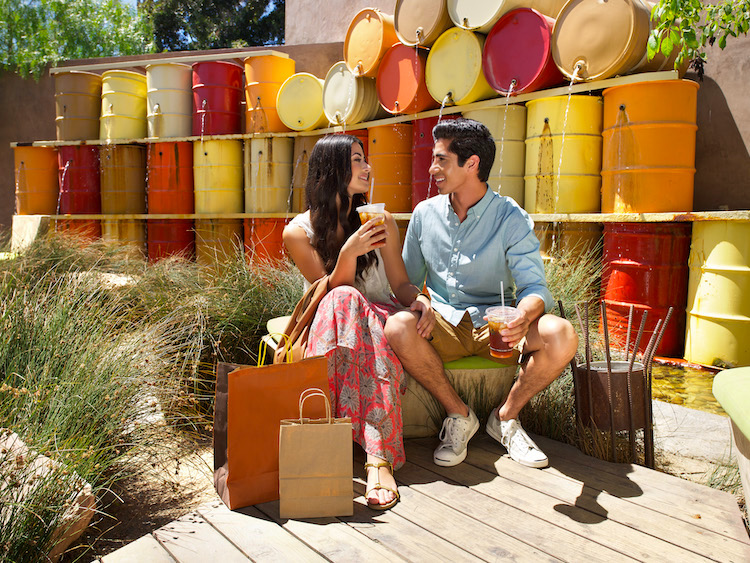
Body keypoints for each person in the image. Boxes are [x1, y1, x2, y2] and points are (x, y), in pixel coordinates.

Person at [388, 118, 578, 469]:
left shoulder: (511, 218)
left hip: (497, 328)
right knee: (398, 325)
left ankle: (505, 418)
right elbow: (407, 283)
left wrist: (523, 316)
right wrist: (421, 300)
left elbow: (535, 288)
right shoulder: (423, 214)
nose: (432, 169)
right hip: (442, 325)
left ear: (471, 163)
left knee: (561, 334)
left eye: (441, 159)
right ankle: (459, 415)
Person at [282, 134, 435, 510]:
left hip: (378, 316)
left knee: (361, 311)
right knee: (346, 298)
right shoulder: (298, 232)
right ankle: (377, 459)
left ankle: (335, 454)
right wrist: (350, 251)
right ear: (330, 168)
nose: (367, 168)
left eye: (366, 159)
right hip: (329, 321)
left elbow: (398, 284)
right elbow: (330, 292)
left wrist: (419, 300)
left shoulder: (379, 220)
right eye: (356, 160)